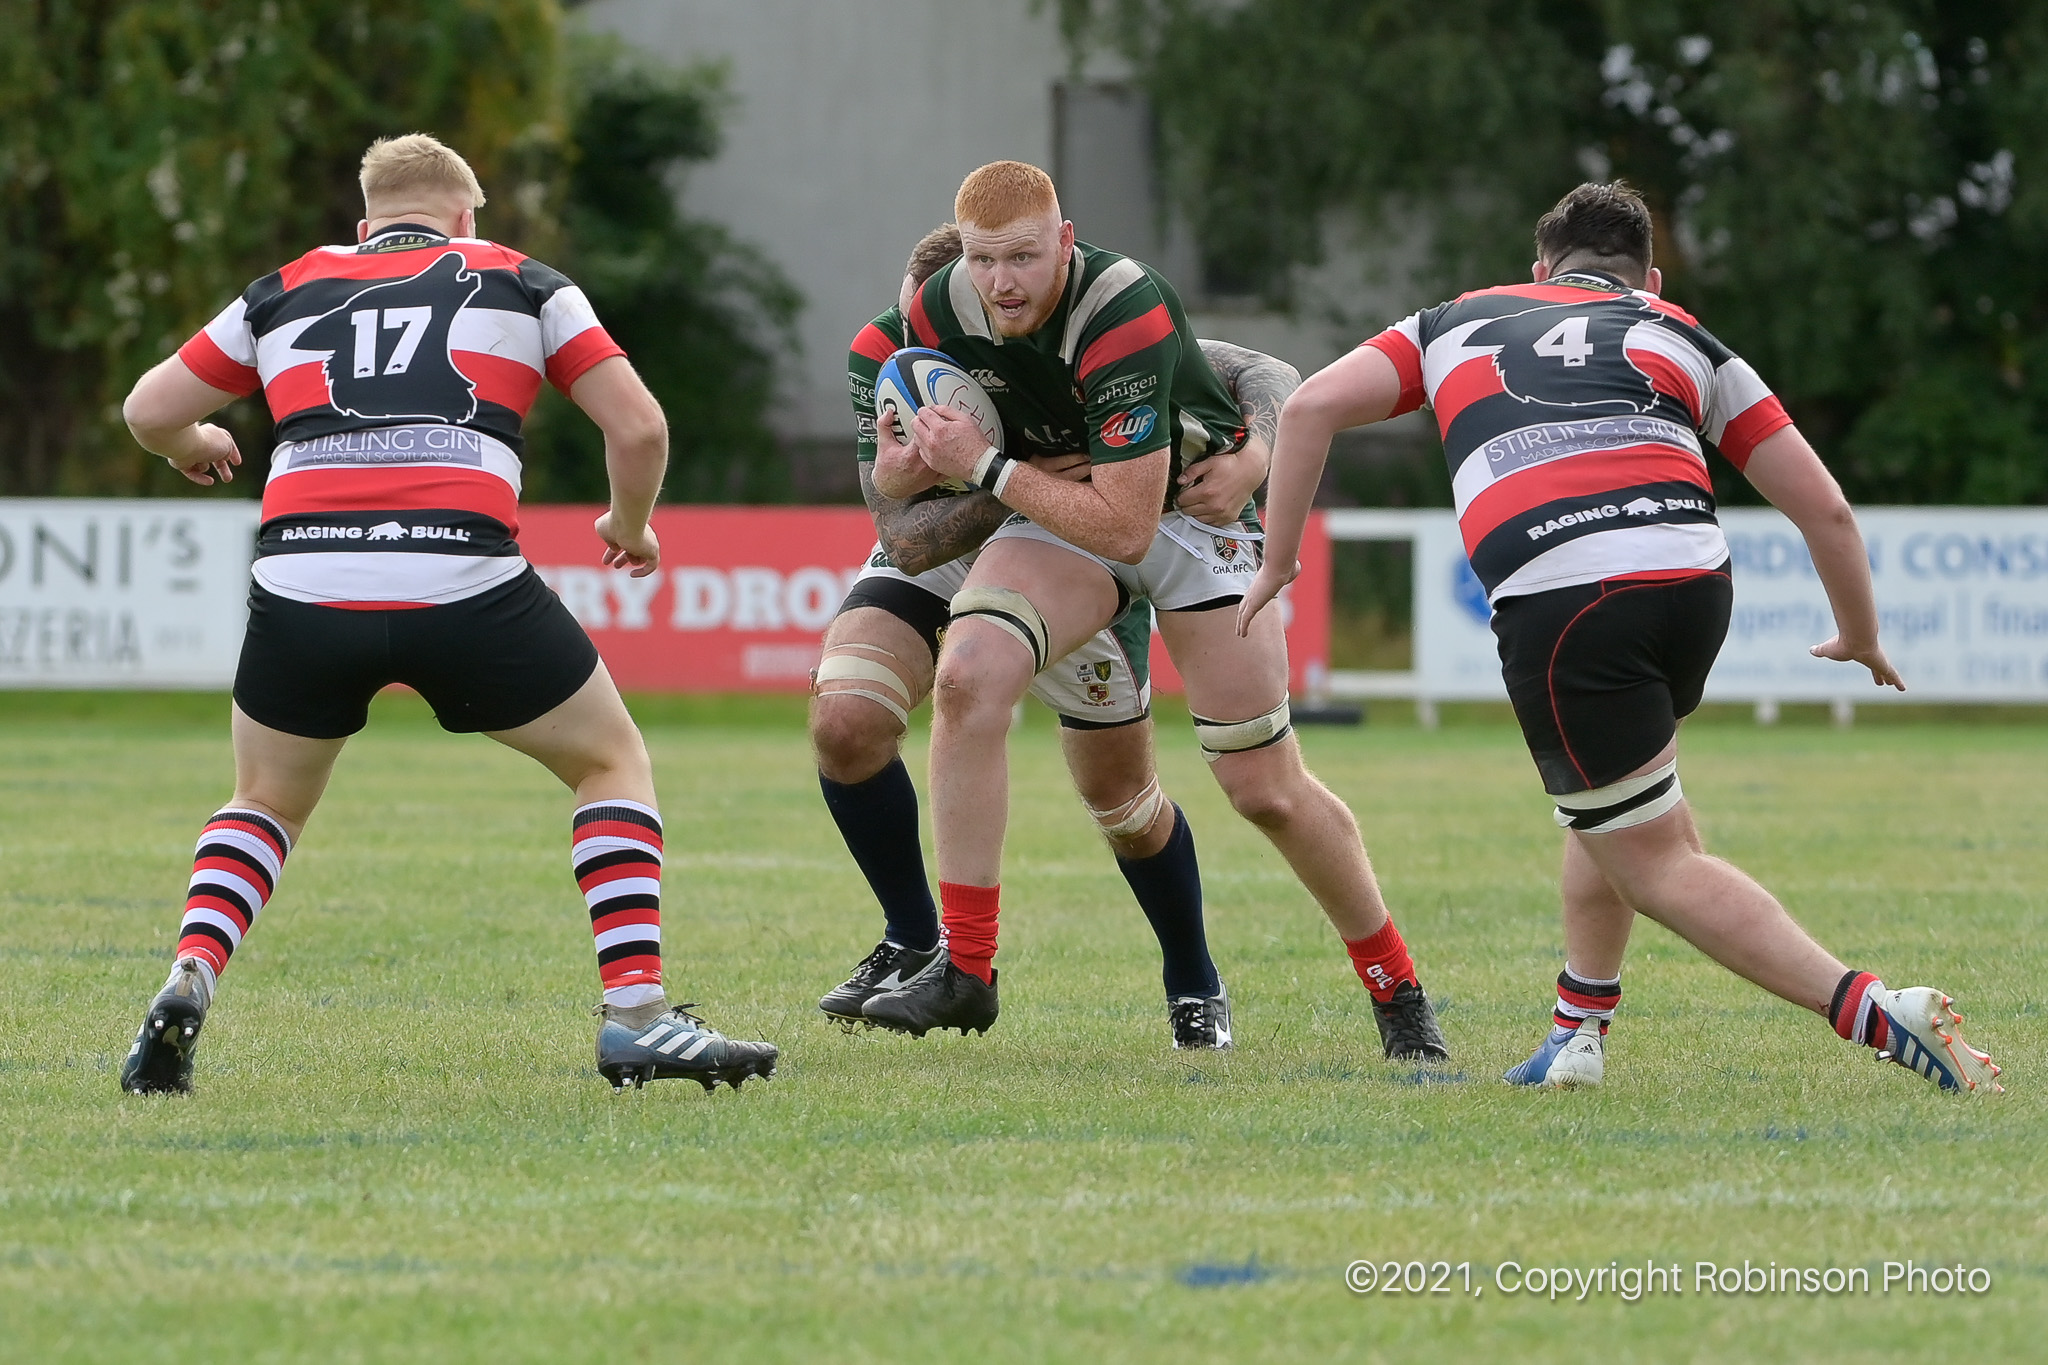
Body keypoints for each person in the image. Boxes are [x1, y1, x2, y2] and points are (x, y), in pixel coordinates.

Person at [1243, 180, 2000, 1093]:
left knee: (1657, 858)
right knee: (1616, 803)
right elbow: (1827, 510)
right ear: (1648, 275)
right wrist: (1861, 632)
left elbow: (1314, 405)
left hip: (1568, 596)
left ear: (1540, 269)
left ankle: (1877, 1010)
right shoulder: (1682, 332)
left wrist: (1279, 561)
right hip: (1690, 585)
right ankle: (1577, 1030)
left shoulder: (1455, 320)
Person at [116, 133, 777, 1096]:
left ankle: (191, 974)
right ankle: (636, 1017)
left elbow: (145, 408)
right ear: (467, 222)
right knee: (609, 762)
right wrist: (626, 524)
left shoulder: (287, 286)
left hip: (305, 584)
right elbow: (639, 425)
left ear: (364, 225)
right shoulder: (524, 281)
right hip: (460, 577)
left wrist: (195, 439)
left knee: (262, 801)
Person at [860, 162, 1449, 1060]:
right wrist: (928, 457)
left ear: (1065, 240)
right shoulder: (935, 310)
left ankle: (1396, 984)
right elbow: (898, 500)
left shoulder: (1123, 304)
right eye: (984, 260)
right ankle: (966, 967)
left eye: (1023, 256)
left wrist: (982, 464)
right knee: (970, 675)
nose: (1002, 282)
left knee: (1266, 789)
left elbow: (1130, 526)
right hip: (1061, 511)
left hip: (1184, 513)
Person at [817, 224, 1297, 1049]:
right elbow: (902, 535)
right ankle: (916, 942)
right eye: (912, 325)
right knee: (844, 721)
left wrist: (1253, 452)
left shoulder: (1061, 329)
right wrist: (1016, 482)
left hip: (1064, 550)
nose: (919, 349)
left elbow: (1268, 370)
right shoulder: (886, 349)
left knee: (1124, 803)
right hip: (952, 534)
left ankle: (1192, 975)